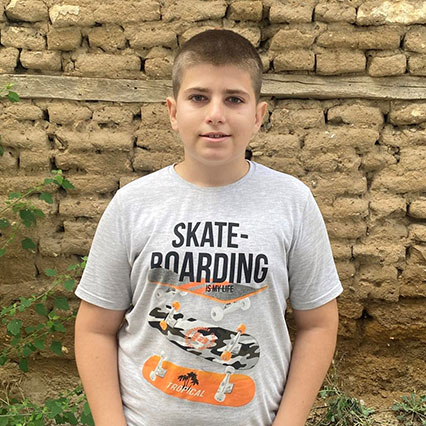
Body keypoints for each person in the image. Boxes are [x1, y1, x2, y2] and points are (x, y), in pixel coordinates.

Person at [74, 29, 343, 426]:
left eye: (234, 99)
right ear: (173, 111)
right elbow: (95, 328)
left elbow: (318, 323)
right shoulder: (132, 205)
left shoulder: (292, 202)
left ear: (258, 115)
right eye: (199, 97)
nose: (215, 113)